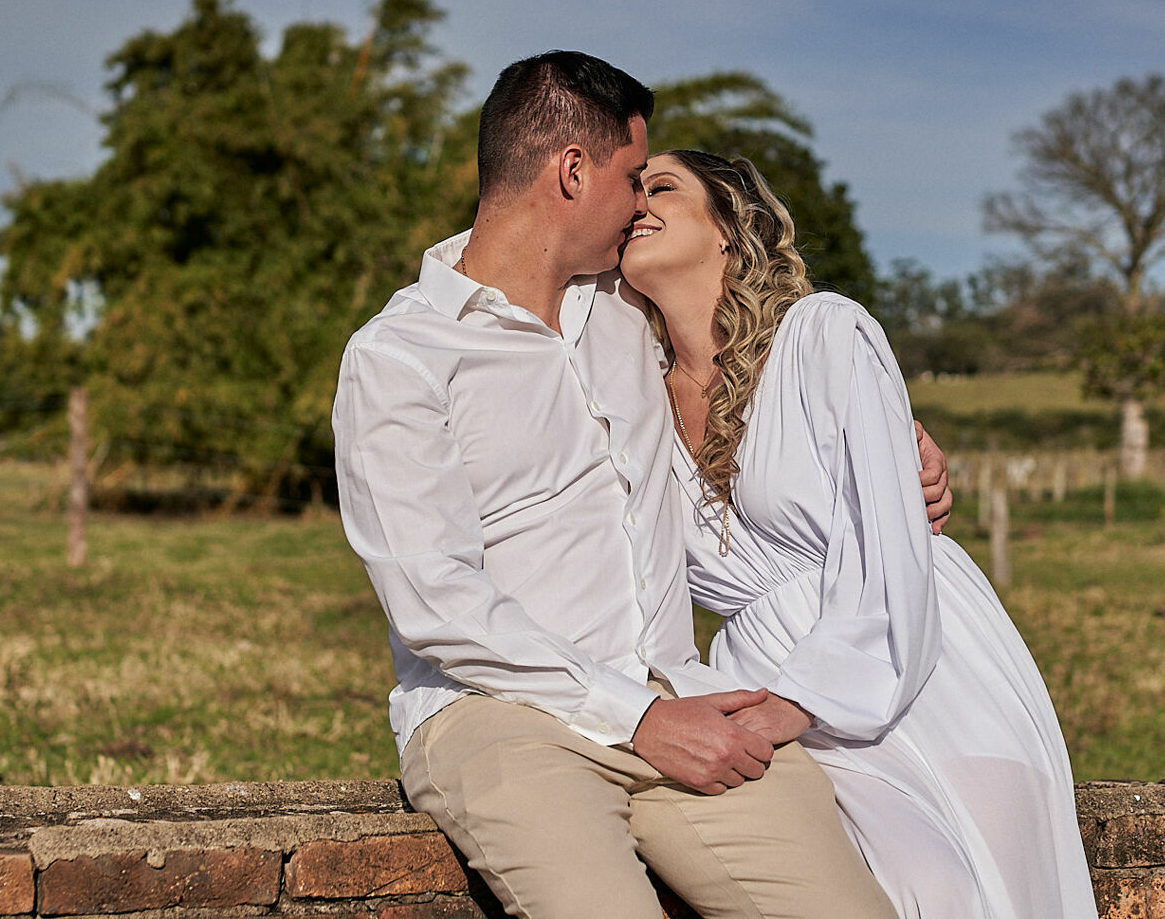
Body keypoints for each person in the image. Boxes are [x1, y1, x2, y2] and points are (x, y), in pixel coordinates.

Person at [334, 52, 918, 919]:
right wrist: (636, 719)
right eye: (632, 178)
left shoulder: (624, 307)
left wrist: (890, 427)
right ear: (572, 171)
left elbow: (749, 349)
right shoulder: (399, 357)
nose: (642, 204)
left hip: (675, 696)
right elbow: (434, 599)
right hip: (500, 716)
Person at [618, 148, 1100, 919]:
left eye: (663, 187)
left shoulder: (826, 335)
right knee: (918, 886)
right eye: (631, 190)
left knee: (1005, 890)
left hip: (924, 662)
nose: (637, 201)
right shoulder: (626, 398)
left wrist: (799, 702)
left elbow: (891, 544)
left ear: (730, 231)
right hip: (770, 689)